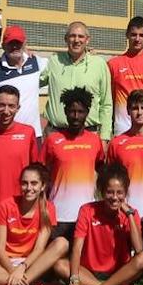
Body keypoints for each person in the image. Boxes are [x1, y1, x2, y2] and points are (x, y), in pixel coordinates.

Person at [0, 163, 69, 285]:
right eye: (24, 183)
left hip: (31, 264)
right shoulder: (6, 205)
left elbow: (39, 248)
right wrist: (13, 272)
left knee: (62, 243)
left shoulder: (48, 208)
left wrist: (22, 268)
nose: (29, 188)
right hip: (6, 264)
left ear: (42, 186)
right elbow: (0, 249)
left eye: (34, 183)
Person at [56, 163, 143, 285]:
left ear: (126, 192)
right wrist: (75, 281)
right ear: (101, 191)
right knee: (59, 265)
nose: (114, 197)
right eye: (110, 192)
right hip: (88, 272)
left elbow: (139, 248)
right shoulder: (87, 210)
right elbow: (77, 248)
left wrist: (129, 215)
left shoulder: (131, 213)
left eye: (119, 193)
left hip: (119, 272)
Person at [44, 87, 105, 241]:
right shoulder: (52, 140)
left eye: (81, 111)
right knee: (57, 260)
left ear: (87, 112)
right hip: (58, 215)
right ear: (65, 111)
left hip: (87, 214)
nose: (76, 116)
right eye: (72, 111)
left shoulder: (95, 141)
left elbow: (100, 169)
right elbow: (41, 174)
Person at [40, 21, 112, 145]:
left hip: (90, 135)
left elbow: (106, 104)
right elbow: (33, 83)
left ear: (87, 40)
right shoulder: (53, 62)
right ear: (66, 39)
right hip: (57, 134)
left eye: (81, 36)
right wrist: (25, 57)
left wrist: (105, 137)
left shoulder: (99, 64)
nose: (76, 40)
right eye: (72, 36)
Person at [108, 16, 143, 135]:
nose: (137, 39)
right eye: (133, 34)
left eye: (141, 35)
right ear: (127, 35)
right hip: (123, 127)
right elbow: (111, 98)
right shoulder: (113, 64)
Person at [0, 25, 46, 138]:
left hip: (34, 136)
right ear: (3, 46)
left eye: (18, 43)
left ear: (25, 44)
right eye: (11, 43)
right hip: (6, 135)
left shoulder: (37, 62)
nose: (15, 46)